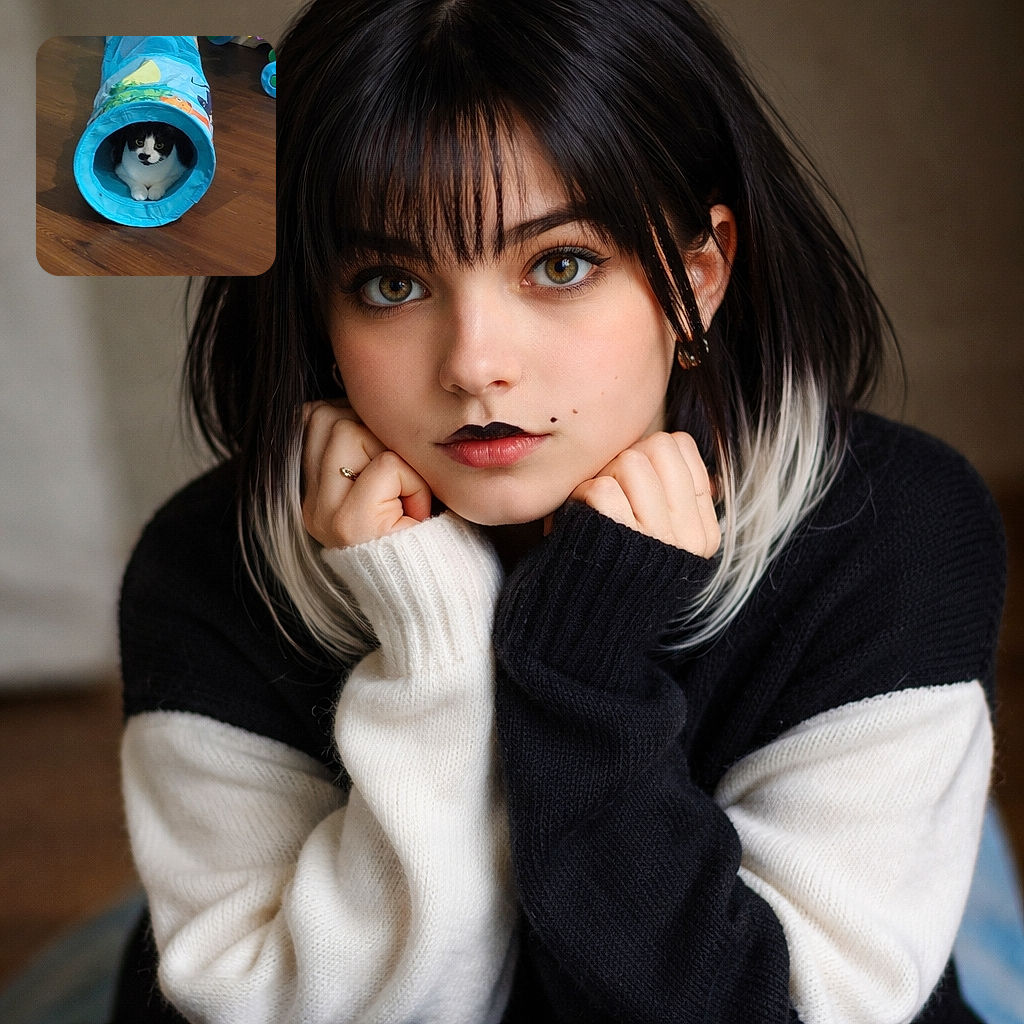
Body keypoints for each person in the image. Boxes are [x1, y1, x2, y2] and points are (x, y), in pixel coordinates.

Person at [112, 0, 1006, 1021]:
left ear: (699, 276)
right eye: (390, 281)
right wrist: (430, 656)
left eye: (560, 264)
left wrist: (581, 673)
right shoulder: (207, 557)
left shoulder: (890, 527)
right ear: (318, 306)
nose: (475, 364)